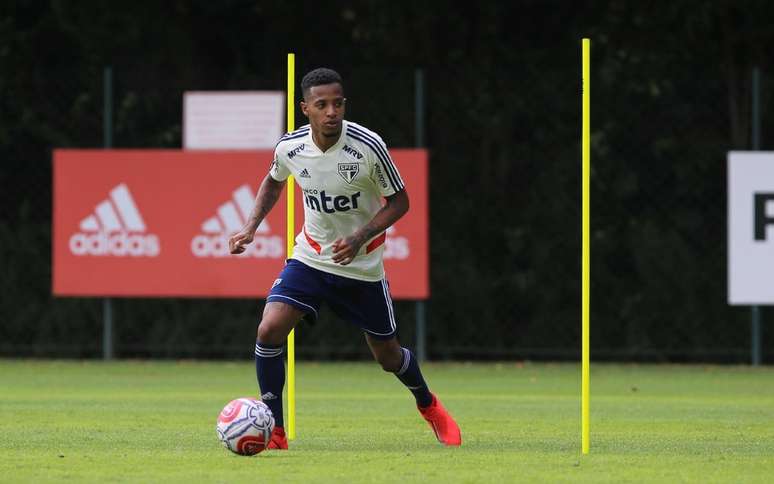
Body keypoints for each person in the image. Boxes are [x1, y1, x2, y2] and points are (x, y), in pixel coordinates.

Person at [229, 67, 461, 449]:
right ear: (306, 108)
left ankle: (428, 404)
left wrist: (359, 236)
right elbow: (274, 179)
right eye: (322, 104)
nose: (332, 111)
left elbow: (400, 201)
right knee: (269, 330)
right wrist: (251, 227)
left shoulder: (368, 146)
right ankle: (276, 431)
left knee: (388, 357)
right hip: (312, 258)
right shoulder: (290, 146)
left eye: (338, 103)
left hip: (363, 268)